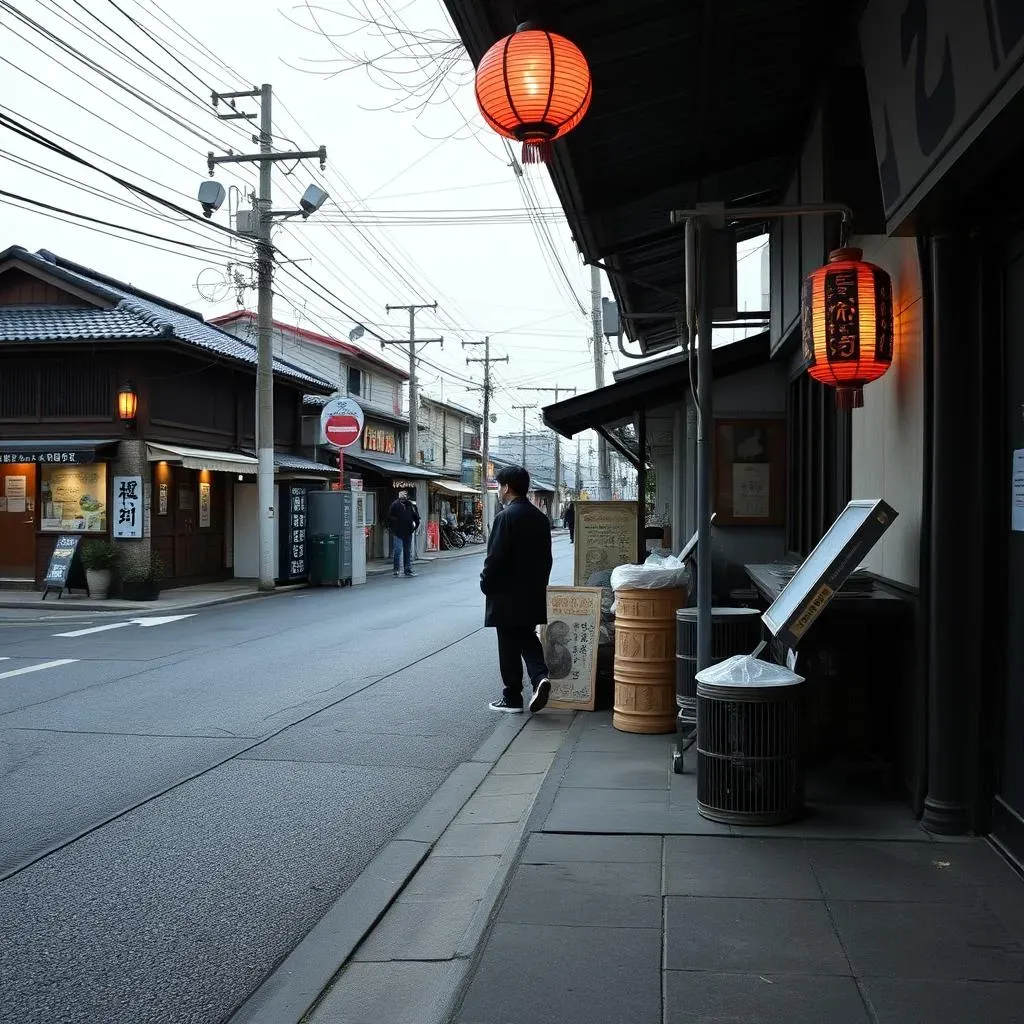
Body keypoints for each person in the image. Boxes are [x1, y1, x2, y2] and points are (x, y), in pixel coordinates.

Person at [480, 465, 553, 713]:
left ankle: (512, 697)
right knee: (526, 636)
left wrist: (485, 583)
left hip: (506, 595)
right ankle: (540, 677)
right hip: (532, 593)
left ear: (507, 488)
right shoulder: (541, 519)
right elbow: (547, 560)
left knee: (508, 643)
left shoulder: (505, 518)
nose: (499, 491)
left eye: (499, 486)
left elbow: (495, 559)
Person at [387, 489, 420, 577]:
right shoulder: (395, 505)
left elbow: (415, 516)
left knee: (407, 551)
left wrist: (416, 526)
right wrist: (394, 525)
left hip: (408, 531)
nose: (404, 499)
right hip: (398, 532)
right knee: (397, 551)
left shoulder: (410, 505)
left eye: (405, 497)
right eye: (402, 497)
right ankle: (396, 569)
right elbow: (389, 517)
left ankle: (407, 569)